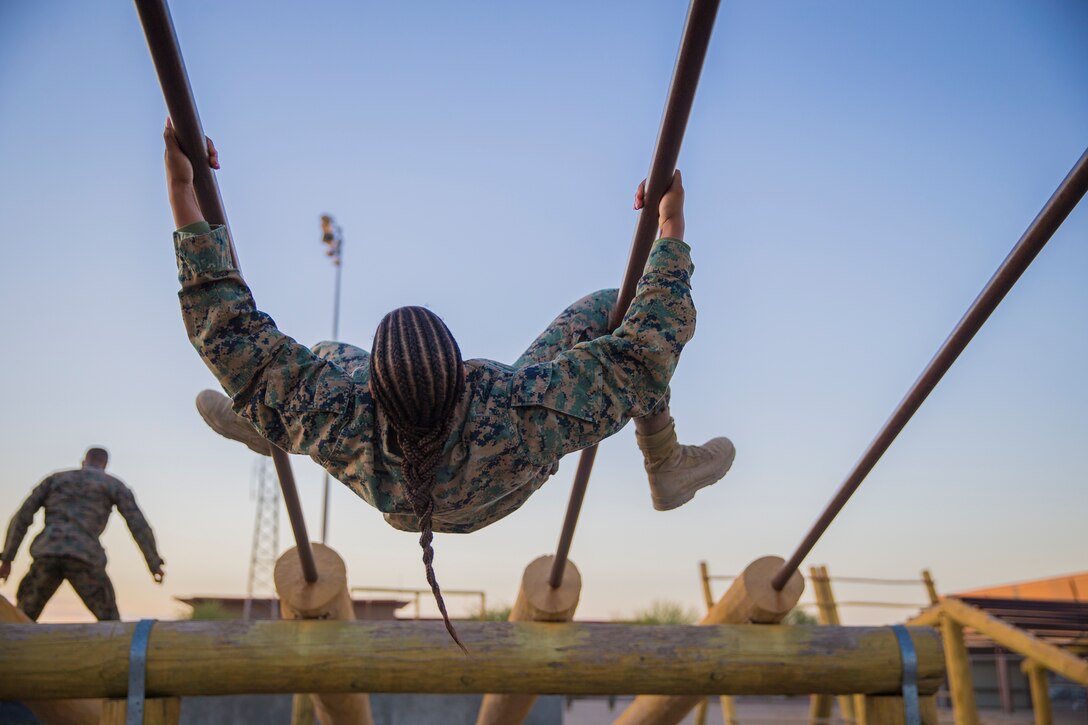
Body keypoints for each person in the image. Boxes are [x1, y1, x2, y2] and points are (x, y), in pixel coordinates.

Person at [164, 123, 733, 647]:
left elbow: (228, 329)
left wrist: (181, 188)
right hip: (504, 488)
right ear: (463, 370)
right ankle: (664, 462)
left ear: (373, 391)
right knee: (622, 318)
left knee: (319, 360)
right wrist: (670, 229)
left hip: (406, 504)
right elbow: (645, 352)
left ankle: (272, 418)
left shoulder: (345, 418)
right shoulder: (520, 409)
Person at [0, 447, 165, 621]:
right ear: (105, 465)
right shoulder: (112, 484)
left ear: (83, 461)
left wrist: (7, 558)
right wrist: (154, 563)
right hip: (85, 557)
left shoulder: (56, 479)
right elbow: (138, 525)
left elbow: (22, 517)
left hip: (47, 554)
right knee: (112, 626)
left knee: (19, 622)